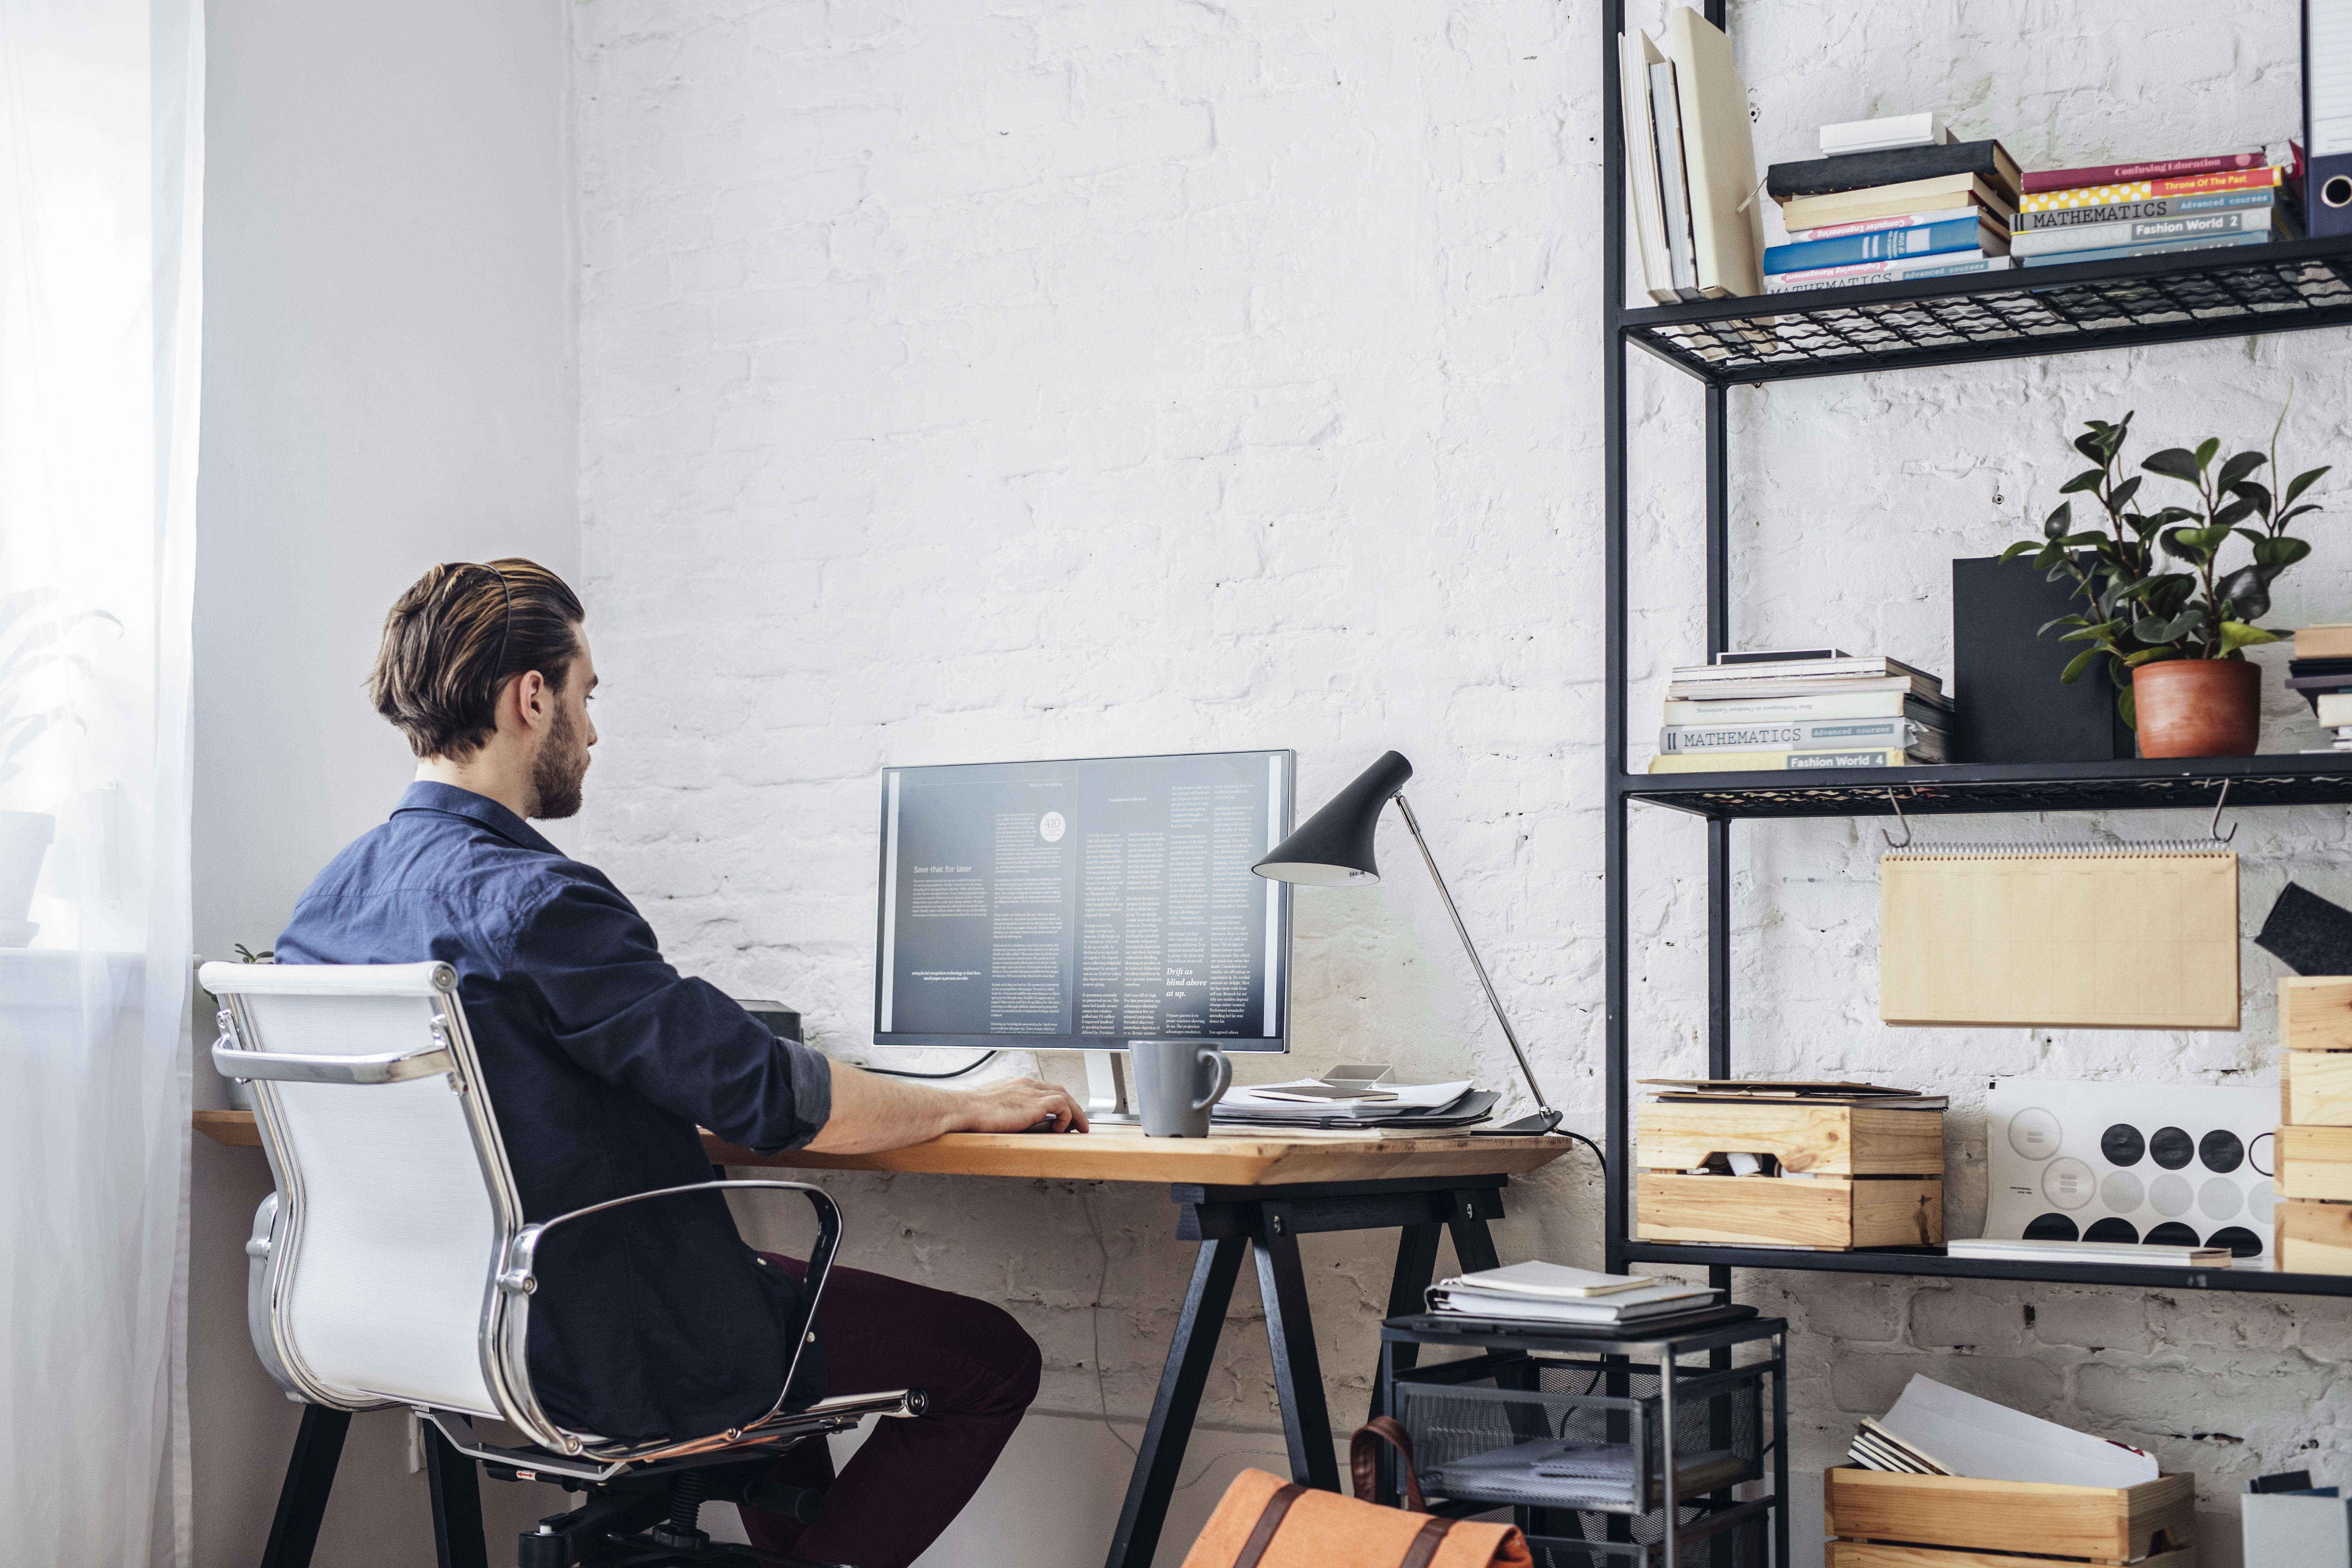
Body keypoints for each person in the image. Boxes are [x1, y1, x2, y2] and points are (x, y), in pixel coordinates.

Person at [274, 558, 1087, 1568]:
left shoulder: (330, 901)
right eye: (588, 693)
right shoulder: (537, 901)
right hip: (601, 1332)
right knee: (991, 1359)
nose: (595, 729)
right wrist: (968, 1106)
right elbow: (773, 1100)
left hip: (427, 1320)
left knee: (774, 1344)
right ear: (533, 698)